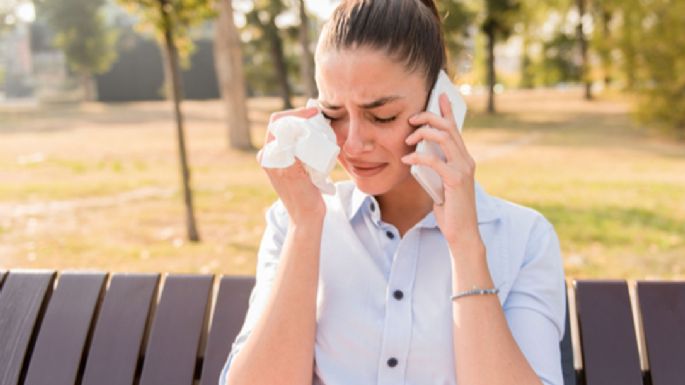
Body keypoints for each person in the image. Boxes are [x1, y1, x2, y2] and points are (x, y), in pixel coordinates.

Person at [219, 0, 566, 384]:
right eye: (334, 114)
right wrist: (306, 227)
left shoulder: (523, 238)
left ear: (441, 102)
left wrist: (466, 246)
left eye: (381, 116)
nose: (352, 143)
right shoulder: (293, 222)